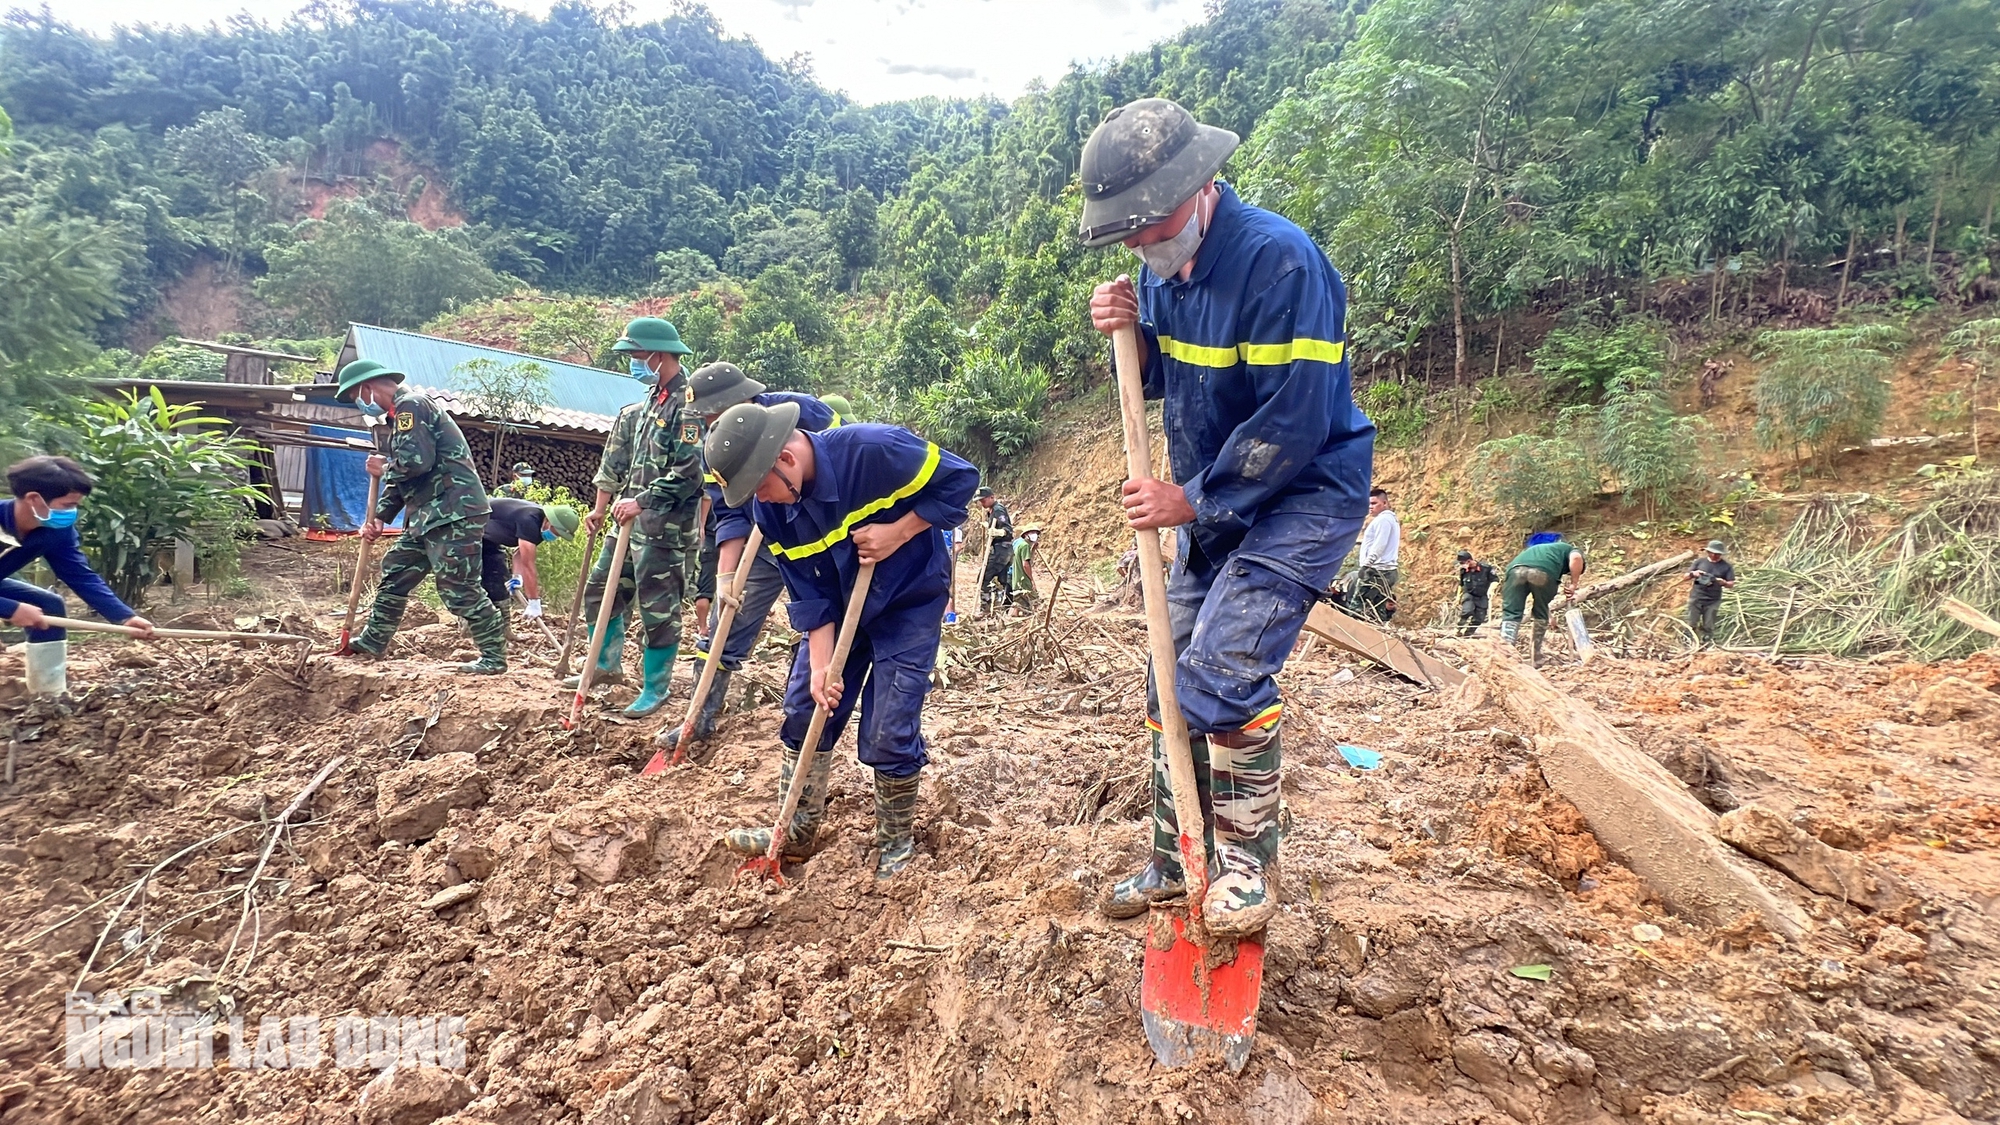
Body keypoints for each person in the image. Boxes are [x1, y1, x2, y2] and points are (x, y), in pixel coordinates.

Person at [1081, 97, 1375, 936]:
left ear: (1201, 185)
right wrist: (1131, 340)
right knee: (1166, 680)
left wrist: (1192, 500)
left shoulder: (1280, 263)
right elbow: (1168, 380)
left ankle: (1245, 864)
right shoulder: (1158, 271)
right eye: (1129, 234)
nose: (1142, 243)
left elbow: (1297, 414)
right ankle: (1179, 858)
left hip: (1301, 499)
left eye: (1151, 225)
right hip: (1215, 507)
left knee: (1222, 666)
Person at [706, 402, 977, 878]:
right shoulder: (769, 511)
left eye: (762, 487)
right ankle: (797, 828)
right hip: (838, 607)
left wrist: (899, 531)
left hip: (907, 602)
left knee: (888, 725)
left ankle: (895, 843)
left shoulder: (875, 450)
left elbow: (961, 479)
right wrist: (820, 666)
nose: (760, 502)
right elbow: (808, 594)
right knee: (806, 706)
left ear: (786, 460)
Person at [653, 360, 840, 761]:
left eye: (712, 415)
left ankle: (807, 706)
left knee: (819, 619)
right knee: (726, 625)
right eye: (704, 418)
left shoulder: (803, 410)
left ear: (739, 399)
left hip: (819, 534)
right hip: (765, 539)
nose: (708, 424)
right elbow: (731, 513)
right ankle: (699, 715)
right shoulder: (713, 448)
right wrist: (725, 578)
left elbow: (836, 457)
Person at [566, 317, 705, 716]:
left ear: (660, 356)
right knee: (600, 590)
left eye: (637, 356)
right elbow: (617, 462)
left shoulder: (689, 406)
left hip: (666, 530)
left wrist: (642, 501)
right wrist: (600, 508)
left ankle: (655, 689)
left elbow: (690, 473)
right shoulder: (646, 402)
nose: (632, 363)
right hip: (628, 525)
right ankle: (605, 666)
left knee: (657, 609)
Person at [336, 360, 506, 673]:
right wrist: (381, 516)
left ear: (368, 387)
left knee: (460, 588)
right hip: (428, 516)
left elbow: (416, 464)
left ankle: (494, 658)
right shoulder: (399, 416)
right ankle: (374, 641)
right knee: (396, 571)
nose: (358, 403)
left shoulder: (412, 407)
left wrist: (384, 467)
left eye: (355, 397)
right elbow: (407, 478)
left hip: (455, 511)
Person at [0, 455, 156, 697]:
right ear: (33, 499)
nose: (72, 512)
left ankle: (48, 693)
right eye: (68, 504)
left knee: (48, 605)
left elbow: (80, 575)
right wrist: (10, 608)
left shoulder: (56, 531)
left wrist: (124, 617)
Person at [479, 497, 580, 623]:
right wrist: (534, 601)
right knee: (474, 585)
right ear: (549, 521)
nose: (556, 536)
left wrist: (516, 577)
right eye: (556, 532)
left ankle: (503, 631)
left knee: (498, 583)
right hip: (468, 529)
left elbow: (519, 553)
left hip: (488, 539)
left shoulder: (540, 527)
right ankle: (470, 631)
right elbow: (528, 565)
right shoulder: (530, 520)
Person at [1499, 537, 1586, 667]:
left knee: (1512, 612)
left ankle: (1505, 654)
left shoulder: (1545, 550)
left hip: (1515, 570)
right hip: (1543, 572)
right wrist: (1574, 584)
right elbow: (1576, 558)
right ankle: (1536, 657)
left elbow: (1542, 602)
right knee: (1540, 613)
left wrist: (1550, 616)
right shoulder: (1570, 550)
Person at [1354, 487, 1400, 622]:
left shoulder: (1383, 520)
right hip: (1388, 571)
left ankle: (1349, 638)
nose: (1370, 507)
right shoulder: (1391, 520)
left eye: (1374, 503)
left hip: (1376, 571)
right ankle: (1377, 638)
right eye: (1369, 504)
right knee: (1378, 610)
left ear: (1384, 503)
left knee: (1357, 606)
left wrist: (1367, 564)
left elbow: (1380, 544)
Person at [1686, 539, 1736, 648]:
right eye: (1712, 553)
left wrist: (1723, 582)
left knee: (1709, 624)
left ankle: (1707, 644)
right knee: (1692, 622)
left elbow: (1731, 584)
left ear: (1721, 554)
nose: (1714, 555)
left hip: (1713, 600)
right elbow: (1685, 577)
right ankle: (1690, 643)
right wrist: (1694, 574)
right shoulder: (1699, 562)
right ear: (1708, 552)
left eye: (1717, 554)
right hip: (1696, 597)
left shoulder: (1726, 566)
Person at [975, 486, 1014, 613]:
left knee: (984, 577)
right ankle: (1000, 609)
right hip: (1003, 550)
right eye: (980, 501)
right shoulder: (991, 511)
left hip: (1001, 550)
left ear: (992, 497)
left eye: (984, 500)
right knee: (1001, 580)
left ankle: (985, 609)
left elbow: (1008, 531)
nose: (982, 503)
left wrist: (998, 532)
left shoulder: (998, 510)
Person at [1456, 549, 1499, 637]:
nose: (1461, 565)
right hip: (1469, 594)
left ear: (1469, 561)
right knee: (1467, 611)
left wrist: (1491, 590)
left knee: (1479, 617)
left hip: (1482, 595)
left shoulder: (1486, 568)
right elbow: (1461, 584)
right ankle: (1459, 628)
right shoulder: (1464, 571)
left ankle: (1468, 633)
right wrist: (1458, 597)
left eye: (1462, 563)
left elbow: (1495, 580)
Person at [1010, 525, 1041, 611]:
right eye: (1032, 533)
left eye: (1035, 533)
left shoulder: (1021, 545)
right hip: (1024, 581)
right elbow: (1025, 564)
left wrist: (1033, 549)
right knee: (1036, 601)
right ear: (1026, 535)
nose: (1034, 535)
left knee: (1019, 604)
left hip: (1017, 581)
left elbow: (1026, 559)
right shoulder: (1025, 546)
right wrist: (1031, 580)